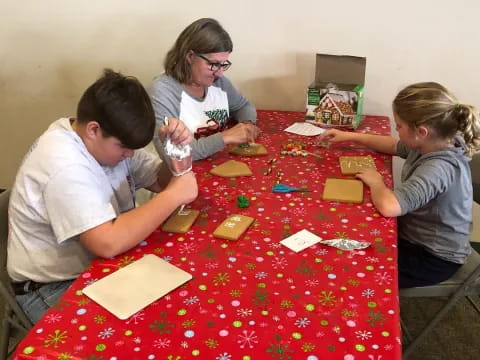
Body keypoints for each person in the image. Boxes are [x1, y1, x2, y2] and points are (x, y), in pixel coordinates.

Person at [7, 69, 198, 323]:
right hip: (52, 286)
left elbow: (158, 180)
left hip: (96, 265)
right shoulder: (63, 162)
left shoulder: (110, 142)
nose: (130, 154)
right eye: (124, 147)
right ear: (94, 130)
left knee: (183, 299)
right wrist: (174, 195)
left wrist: (174, 150)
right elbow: (107, 242)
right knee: (149, 329)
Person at [318, 82, 480, 288]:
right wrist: (350, 136)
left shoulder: (438, 168)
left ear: (421, 131)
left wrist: (377, 182)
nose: (396, 130)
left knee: (348, 268)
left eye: (399, 126)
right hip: (415, 239)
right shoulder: (434, 141)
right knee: (347, 232)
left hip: (432, 258)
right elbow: (393, 145)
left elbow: (389, 206)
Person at [150, 18, 260, 161]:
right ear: (190, 56)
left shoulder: (218, 82)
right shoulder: (162, 92)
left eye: (223, 64)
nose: (220, 73)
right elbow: (173, 154)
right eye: (214, 64)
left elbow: (243, 106)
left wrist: (247, 124)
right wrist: (225, 137)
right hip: (180, 177)